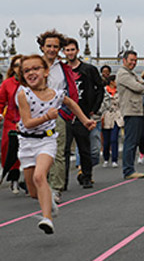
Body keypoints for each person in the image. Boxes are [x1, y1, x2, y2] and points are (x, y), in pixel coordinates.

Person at [16, 54, 95, 234]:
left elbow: (71, 103)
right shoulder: (23, 94)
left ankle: (47, 219)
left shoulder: (56, 94)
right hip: (27, 141)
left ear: (45, 72)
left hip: (47, 140)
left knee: (39, 176)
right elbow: (27, 122)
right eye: (27, 70)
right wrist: (47, 116)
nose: (31, 73)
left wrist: (85, 120)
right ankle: (49, 201)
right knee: (33, 191)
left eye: (36, 68)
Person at [36, 30, 79, 202]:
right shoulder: (33, 65)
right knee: (38, 152)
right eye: (49, 46)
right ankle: (40, 183)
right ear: (42, 47)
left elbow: (68, 92)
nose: (52, 50)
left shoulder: (62, 69)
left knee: (58, 151)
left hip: (57, 114)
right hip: (36, 114)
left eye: (55, 46)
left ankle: (56, 188)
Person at [63, 38, 104, 189]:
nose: (70, 53)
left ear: (77, 51)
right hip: (65, 114)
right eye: (67, 50)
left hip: (84, 113)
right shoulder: (61, 70)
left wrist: (94, 108)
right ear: (64, 52)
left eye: (72, 49)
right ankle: (63, 181)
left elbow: (100, 89)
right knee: (64, 150)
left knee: (86, 148)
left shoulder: (89, 70)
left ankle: (86, 176)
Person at [117, 50, 144, 179]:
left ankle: (130, 168)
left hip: (137, 110)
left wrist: (142, 83)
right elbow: (139, 87)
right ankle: (128, 170)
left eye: (135, 60)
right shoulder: (123, 74)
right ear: (124, 60)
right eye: (131, 60)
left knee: (134, 141)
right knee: (130, 141)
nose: (133, 63)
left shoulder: (132, 73)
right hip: (131, 110)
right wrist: (141, 84)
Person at [0, 55, 23, 194]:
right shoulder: (7, 83)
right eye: (16, 66)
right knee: (8, 148)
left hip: (27, 121)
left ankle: (24, 180)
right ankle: (12, 177)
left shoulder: (29, 82)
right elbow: (1, 101)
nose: (18, 69)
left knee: (24, 150)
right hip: (11, 121)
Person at [102, 75, 123, 168]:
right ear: (111, 81)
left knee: (114, 139)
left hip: (116, 116)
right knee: (106, 141)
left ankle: (115, 159)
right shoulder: (104, 91)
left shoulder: (120, 91)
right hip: (106, 116)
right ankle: (106, 158)